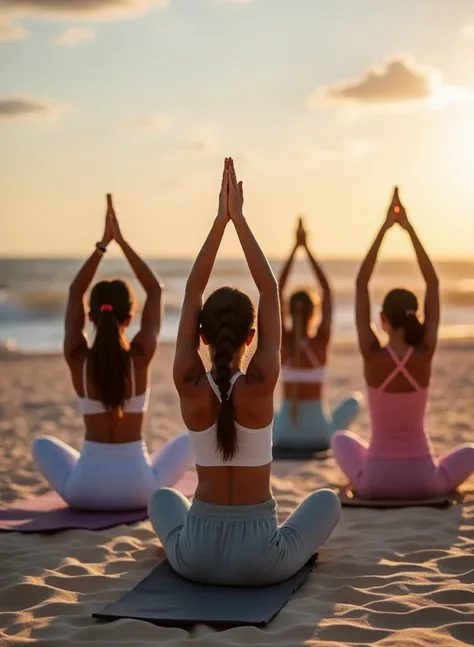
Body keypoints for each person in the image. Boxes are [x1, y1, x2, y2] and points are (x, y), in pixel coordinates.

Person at [147, 158, 341, 587]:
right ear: (251, 336)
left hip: (194, 555)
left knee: (161, 498)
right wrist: (239, 220)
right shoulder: (260, 384)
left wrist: (219, 222)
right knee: (328, 500)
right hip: (260, 562)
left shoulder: (188, 382)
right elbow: (270, 290)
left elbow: (192, 288)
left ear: (200, 335)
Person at [32, 195, 191, 511]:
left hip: (84, 492)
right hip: (139, 491)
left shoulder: (77, 357)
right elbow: (156, 290)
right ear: (129, 318)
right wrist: (122, 241)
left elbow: (75, 291)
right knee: (190, 440)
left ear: (90, 317)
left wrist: (103, 245)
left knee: (41, 445)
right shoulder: (140, 356)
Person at [331, 188, 474, 499]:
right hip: (424, 479)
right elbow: (433, 283)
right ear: (415, 317)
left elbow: (360, 283)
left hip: (374, 481)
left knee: (340, 440)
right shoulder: (424, 352)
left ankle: (360, 478)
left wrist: (384, 228)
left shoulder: (372, 354)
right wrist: (408, 229)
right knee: (471, 451)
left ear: (383, 320)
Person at [274, 218, 361, 451]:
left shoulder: (284, 343)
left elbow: (276, 291)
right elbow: (328, 292)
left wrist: (294, 249)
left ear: (289, 311)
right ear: (314, 313)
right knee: (354, 401)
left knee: (272, 414)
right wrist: (307, 249)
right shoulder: (320, 342)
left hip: (282, 435)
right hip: (319, 436)